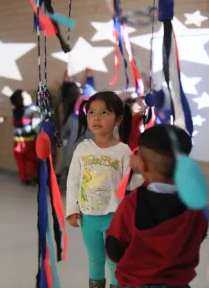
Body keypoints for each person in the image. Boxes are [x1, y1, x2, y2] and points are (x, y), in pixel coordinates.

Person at [105, 125, 208, 288]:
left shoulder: (133, 203)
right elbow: (199, 236)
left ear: (143, 166)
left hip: (135, 283)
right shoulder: (196, 205)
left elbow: (114, 248)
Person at [65, 91, 143, 288]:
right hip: (88, 216)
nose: (96, 118)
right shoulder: (82, 149)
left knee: (115, 260)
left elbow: (131, 186)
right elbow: (73, 181)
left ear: (117, 119)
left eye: (104, 113)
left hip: (114, 217)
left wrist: (140, 170)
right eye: (91, 113)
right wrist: (72, 209)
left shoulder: (123, 151)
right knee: (95, 259)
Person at [57, 69, 96, 179]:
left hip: (70, 146)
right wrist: (89, 76)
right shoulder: (91, 122)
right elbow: (88, 90)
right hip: (82, 154)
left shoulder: (70, 111)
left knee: (66, 162)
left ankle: (59, 178)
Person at [10, 89, 40, 186]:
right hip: (28, 140)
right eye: (27, 94)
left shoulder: (15, 110)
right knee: (31, 160)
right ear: (23, 101)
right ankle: (32, 177)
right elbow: (35, 109)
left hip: (17, 141)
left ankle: (24, 178)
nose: (29, 95)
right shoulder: (31, 109)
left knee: (21, 161)